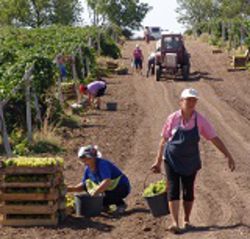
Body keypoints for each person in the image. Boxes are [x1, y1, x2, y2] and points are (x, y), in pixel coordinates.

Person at [151, 88, 235, 234]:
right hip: (171, 159)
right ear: (181, 102)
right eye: (188, 99)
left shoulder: (200, 120)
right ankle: (175, 223)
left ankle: (187, 220)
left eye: (193, 100)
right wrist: (158, 161)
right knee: (173, 189)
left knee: (188, 190)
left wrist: (228, 155)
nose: (191, 102)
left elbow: (213, 137)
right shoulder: (172, 118)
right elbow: (163, 140)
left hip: (190, 161)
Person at [67, 145, 131, 214]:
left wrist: (95, 193)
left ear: (92, 158)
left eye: (86, 160)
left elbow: (106, 181)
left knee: (101, 196)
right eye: (83, 160)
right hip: (109, 189)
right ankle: (105, 205)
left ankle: (120, 204)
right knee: (88, 188)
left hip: (122, 187)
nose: (85, 163)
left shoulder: (102, 164)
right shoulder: (88, 169)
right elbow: (84, 185)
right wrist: (72, 189)